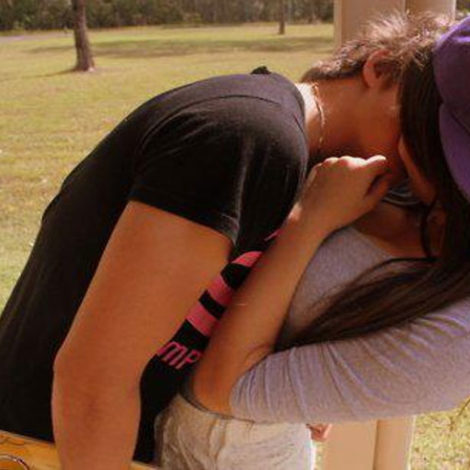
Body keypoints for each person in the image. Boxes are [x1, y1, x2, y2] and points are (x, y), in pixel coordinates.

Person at [0, 12, 445, 468]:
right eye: (422, 126)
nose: (423, 157)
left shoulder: (309, 169)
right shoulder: (250, 136)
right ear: (379, 68)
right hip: (48, 446)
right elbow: (93, 379)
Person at [154, 15, 470, 469]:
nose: (404, 140)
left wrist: (309, 221)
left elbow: (220, 389)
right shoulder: (409, 189)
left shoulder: (457, 345)